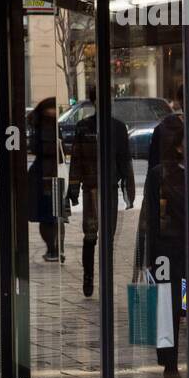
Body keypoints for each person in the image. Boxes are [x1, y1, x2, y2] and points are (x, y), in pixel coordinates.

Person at [67, 89, 135, 297]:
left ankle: (95, 279)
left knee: (100, 236)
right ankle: (93, 278)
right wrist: (73, 187)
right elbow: (77, 158)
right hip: (95, 188)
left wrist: (128, 190)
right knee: (96, 235)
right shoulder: (95, 127)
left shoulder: (111, 127)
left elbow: (124, 160)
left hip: (100, 187)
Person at [144, 114, 186, 378]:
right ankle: (171, 358)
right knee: (181, 302)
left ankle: (169, 359)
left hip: (164, 252)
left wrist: (147, 257)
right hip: (183, 251)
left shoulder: (157, 175)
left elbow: (149, 220)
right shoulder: (188, 173)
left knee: (167, 305)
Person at [26, 97, 63, 262]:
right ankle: (54, 249)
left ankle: (53, 249)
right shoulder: (48, 124)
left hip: (45, 174)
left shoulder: (41, 123)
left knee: (49, 216)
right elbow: (49, 149)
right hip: (47, 174)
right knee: (51, 216)